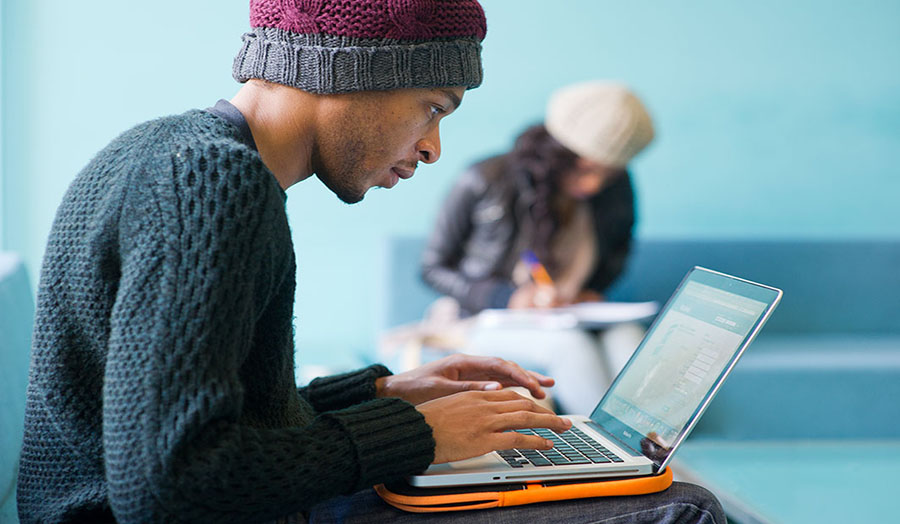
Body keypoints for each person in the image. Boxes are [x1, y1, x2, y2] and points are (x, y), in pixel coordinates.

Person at [17, 2, 725, 523]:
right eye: (431, 108)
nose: (433, 148)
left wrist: (382, 395)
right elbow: (171, 482)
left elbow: (202, 426)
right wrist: (416, 435)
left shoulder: (164, 148)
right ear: (352, 74)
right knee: (683, 510)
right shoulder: (216, 183)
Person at [420, 82, 655, 414]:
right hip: (483, 318)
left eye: (609, 172)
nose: (593, 185)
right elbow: (432, 269)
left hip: (568, 315)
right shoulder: (485, 177)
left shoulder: (615, 191)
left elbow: (616, 257)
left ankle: (653, 446)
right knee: (568, 348)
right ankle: (611, 450)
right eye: (586, 168)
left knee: (631, 339)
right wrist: (508, 298)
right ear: (555, 151)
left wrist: (587, 293)